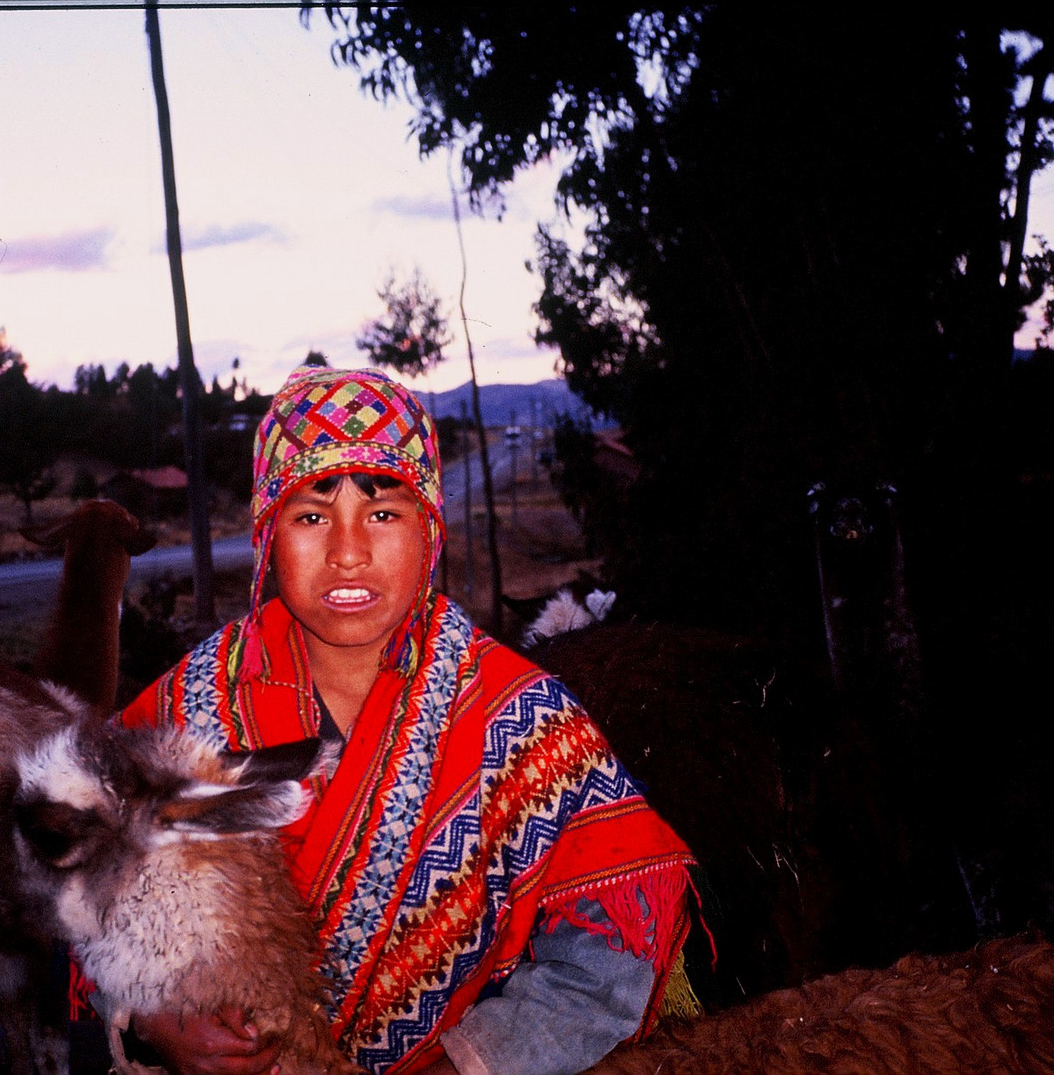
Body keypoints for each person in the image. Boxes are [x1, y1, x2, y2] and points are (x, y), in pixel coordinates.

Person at [114, 367, 700, 1075]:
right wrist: (151, 1018)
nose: (348, 550)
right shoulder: (181, 713)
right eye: (310, 515)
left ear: (430, 529)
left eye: (384, 512)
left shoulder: (518, 719)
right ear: (267, 534)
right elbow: (97, 902)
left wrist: (472, 1061)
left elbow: (611, 955)